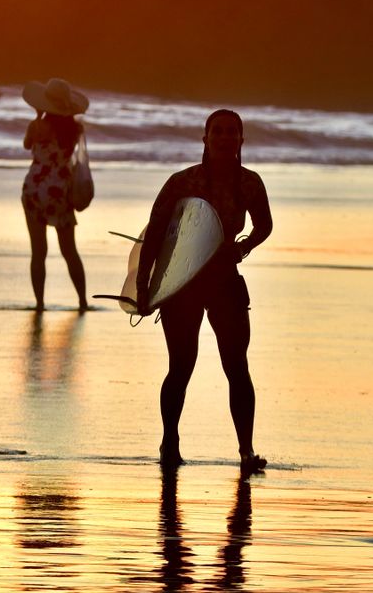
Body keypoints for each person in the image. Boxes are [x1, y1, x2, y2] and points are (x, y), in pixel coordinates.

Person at [137, 108, 273, 474]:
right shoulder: (182, 182)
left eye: (233, 132)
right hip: (183, 283)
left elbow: (264, 225)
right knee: (181, 367)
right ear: (205, 138)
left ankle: (246, 451)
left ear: (241, 140)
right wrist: (144, 286)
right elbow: (154, 233)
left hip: (225, 281)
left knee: (237, 367)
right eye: (219, 132)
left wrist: (243, 246)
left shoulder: (249, 183)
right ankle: (170, 441)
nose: (226, 138)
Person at [21, 77, 90, 312]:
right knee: (69, 250)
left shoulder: (37, 126)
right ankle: (82, 301)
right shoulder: (74, 128)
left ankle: (39, 303)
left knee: (38, 251)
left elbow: (27, 145)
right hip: (59, 190)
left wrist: (39, 116)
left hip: (34, 188)